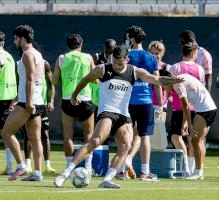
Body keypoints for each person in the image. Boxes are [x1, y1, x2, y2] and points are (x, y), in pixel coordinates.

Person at [54, 45, 182, 189]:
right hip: (107, 113)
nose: (116, 66)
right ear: (111, 59)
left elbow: (157, 80)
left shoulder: (134, 71)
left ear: (127, 60)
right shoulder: (102, 69)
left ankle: (107, 180)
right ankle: (64, 174)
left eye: (120, 63)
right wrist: (74, 96)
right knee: (95, 141)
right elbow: (84, 80)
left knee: (125, 146)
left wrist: (173, 80)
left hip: (123, 116)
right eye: (114, 62)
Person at [2, 25, 45, 181]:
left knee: (7, 132)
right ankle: (38, 173)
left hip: (29, 102)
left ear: (22, 38)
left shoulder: (27, 54)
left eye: (16, 38)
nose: (15, 41)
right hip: (37, 100)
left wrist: (26, 102)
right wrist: (18, 99)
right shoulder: (37, 54)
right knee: (35, 139)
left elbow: (30, 79)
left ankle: (21, 167)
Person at [121, 25, 163, 181]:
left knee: (125, 135)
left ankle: (120, 170)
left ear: (131, 38)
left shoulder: (125, 56)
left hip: (127, 102)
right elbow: (157, 81)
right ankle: (145, 172)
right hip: (146, 101)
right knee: (145, 136)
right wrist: (158, 104)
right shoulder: (151, 57)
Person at [160, 69, 217, 180]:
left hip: (204, 109)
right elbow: (187, 105)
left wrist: (190, 124)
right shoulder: (181, 78)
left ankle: (198, 172)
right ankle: (198, 171)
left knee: (195, 140)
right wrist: (186, 122)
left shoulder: (177, 83)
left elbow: (185, 105)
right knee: (198, 141)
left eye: (162, 84)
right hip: (209, 108)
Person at [52, 34, 95, 172]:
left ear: (68, 45)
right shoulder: (88, 57)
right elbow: (95, 80)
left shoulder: (62, 58)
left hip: (68, 100)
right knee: (89, 135)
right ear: (80, 45)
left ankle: (69, 166)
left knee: (67, 135)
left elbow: (54, 81)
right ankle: (88, 167)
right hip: (86, 100)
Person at [168, 42, 205, 176]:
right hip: (196, 107)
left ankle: (186, 168)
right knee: (193, 139)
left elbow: (171, 86)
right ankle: (193, 168)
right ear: (194, 54)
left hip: (180, 106)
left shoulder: (175, 67)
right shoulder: (200, 69)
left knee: (175, 137)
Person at [178, 30, 212, 174]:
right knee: (192, 137)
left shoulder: (203, 54)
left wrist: (205, 99)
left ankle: (197, 169)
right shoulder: (185, 59)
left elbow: (208, 79)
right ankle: (193, 169)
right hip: (190, 99)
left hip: (200, 102)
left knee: (197, 138)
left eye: (181, 41)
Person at [23, 42, 56, 174]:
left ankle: (47, 165)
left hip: (40, 103)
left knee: (44, 135)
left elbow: (51, 84)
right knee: (28, 135)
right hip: (30, 102)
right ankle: (27, 164)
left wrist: (51, 100)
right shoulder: (24, 64)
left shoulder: (45, 64)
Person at [0, 31, 17, 176]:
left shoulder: (1, 57)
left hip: (1, 98)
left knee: (6, 133)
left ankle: (11, 165)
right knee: (5, 132)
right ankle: (10, 165)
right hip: (8, 98)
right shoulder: (9, 56)